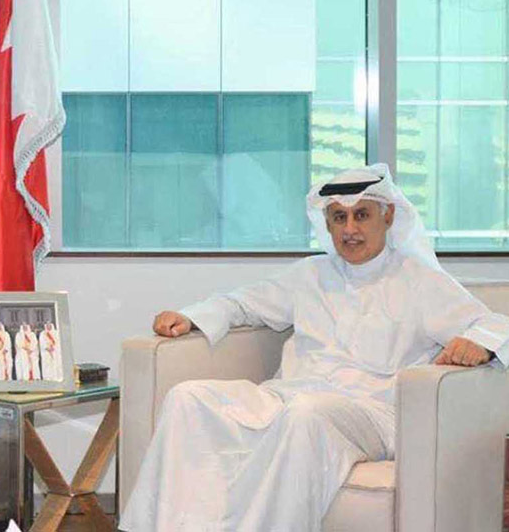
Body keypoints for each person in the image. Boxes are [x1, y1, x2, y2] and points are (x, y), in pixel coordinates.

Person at [120, 163, 509, 532]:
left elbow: (494, 323)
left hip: (373, 411)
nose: (350, 229)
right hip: (291, 395)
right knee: (189, 398)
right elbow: (242, 303)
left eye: (362, 216)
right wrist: (191, 316)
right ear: (327, 223)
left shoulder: (420, 281)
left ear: (388, 216)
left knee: (305, 414)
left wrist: (480, 344)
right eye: (339, 217)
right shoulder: (309, 274)